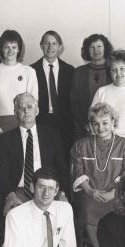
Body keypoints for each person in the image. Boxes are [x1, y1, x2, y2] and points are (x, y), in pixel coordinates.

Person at [71, 102, 125, 247]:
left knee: (121, 209)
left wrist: (113, 193)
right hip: (90, 193)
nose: (100, 128)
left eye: (105, 122)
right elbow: (78, 172)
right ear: (90, 125)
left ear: (113, 122)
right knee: (88, 209)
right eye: (95, 123)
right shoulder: (81, 145)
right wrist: (90, 191)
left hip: (117, 193)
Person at [0, 93, 68, 215]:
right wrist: (10, 195)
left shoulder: (51, 135)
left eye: (30, 106)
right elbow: (2, 173)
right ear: (15, 112)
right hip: (19, 192)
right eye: (21, 107)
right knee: (15, 214)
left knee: (63, 209)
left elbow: (61, 168)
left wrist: (61, 192)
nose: (26, 111)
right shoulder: (5, 139)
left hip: (47, 189)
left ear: (37, 110)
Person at [30, 30, 75, 162]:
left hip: (64, 123)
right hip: (41, 121)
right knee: (44, 159)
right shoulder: (31, 70)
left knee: (64, 161)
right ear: (41, 45)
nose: (50, 47)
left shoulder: (69, 70)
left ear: (60, 47)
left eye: (54, 43)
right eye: (46, 43)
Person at [0, 29, 38, 134]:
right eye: (6, 47)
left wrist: (26, 127)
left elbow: (33, 103)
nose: (10, 51)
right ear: (1, 49)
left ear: (19, 49)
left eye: (14, 47)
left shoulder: (29, 71)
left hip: (24, 123)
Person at [71, 34, 114, 140]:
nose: (96, 50)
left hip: (109, 128)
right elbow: (74, 102)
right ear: (87, 50)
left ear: (105, 48)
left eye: (99, 46)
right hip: (84, 128)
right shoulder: (78, 72)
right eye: (92, 47)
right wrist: (86, 124)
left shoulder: (113, 70)